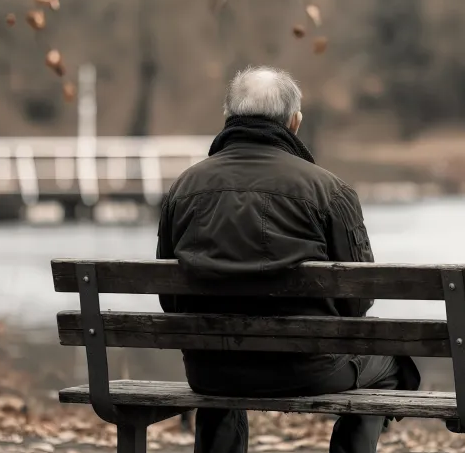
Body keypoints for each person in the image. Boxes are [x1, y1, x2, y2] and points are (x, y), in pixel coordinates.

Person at [155, 66, 420, 453]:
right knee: (393, 363)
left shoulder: (183, 189)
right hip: (311, 370)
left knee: (219, 347)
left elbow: (170, 298)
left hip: (211, 371)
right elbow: (358, 299)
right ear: (294, 123)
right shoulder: (330, 190)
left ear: (228, 118)